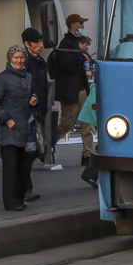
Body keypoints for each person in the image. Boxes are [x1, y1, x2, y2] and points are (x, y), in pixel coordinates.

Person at [0, 45, 39, 211]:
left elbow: (30, 97)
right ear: (10, 59)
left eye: (21, 57)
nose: (19, 60)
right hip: (9, 131)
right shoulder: (2, 78)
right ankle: (10, 202)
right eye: (16, 57)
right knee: (11, 169)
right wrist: (7, 119)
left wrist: (33, 101)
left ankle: (19, 198)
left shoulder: (28, 77)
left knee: (24, 168)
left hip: (26, 129)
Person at [54, 14, 93, 164]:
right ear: (72, 25)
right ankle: (47, 143)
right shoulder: (66, 44)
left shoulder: (75, 43)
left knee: (86, 123)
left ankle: (87, 154)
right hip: (72, 90)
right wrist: (82, 58)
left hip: (80, 89)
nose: (83, 26)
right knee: (67, 124)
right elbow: (65, 65)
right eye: (80, 23)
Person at [20, 27, 50, 200]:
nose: (40, 45)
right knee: (29, 151)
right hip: (28, 113)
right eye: (36, 42)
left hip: (37, 111)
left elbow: (43, 87)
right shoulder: (26, 62)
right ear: (27, 44)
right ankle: (25, 188)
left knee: (33, 150)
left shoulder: (40, 62)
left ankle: (26, 187)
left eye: (40, 42)